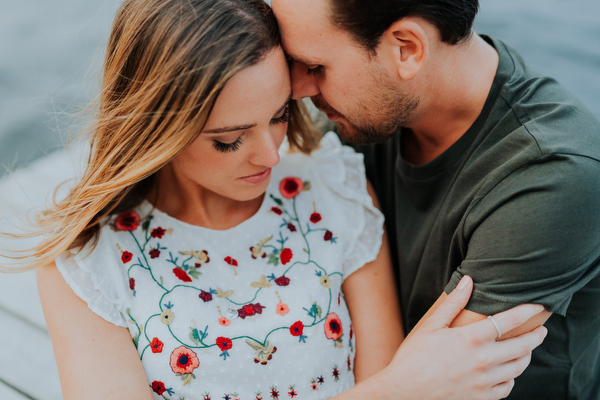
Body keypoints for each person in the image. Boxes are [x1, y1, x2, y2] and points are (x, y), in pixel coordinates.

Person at [4, 0, 547, 399]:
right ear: (156, 127)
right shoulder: (88, 261)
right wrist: (402, 389)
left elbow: (378, 369)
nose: (269, 154)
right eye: (229, 139)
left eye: (281, 115)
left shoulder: (331, 191)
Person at [270, 0, 600, 398]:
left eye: (315, 67)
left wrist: (399, 387)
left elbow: (430, 388)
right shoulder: (367, 115)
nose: (298, 89)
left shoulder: (553, 175)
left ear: (407, 48)